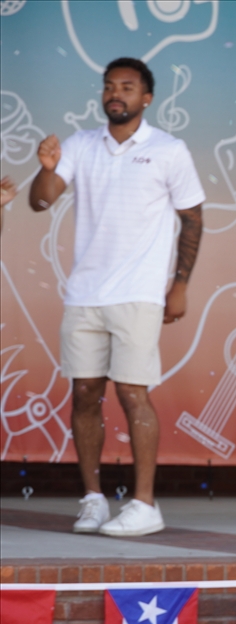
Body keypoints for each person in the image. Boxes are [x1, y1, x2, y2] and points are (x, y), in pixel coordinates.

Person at [29, 58, 205, 537]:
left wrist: (180, 284)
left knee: (132, 392)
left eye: (127, 87)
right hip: (85, 292)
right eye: (109, 86)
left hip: (139, 293)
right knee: (84, 393)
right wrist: (46, 169)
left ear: (147, 98)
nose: (115, 94)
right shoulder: (80, 145)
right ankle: (93, 500)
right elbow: (40, 202)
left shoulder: (169, 150)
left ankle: (145, 505)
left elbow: (192, 218)